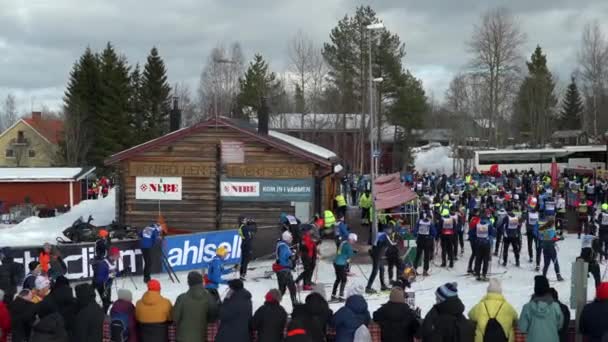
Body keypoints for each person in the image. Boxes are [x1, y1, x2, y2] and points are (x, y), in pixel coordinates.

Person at [173, 271, 218, 342]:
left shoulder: (181, 298)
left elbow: (175, 318)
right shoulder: (209, 297)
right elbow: (213, 318)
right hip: (201, 338)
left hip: (182, 338)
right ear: (201, 282)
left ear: (188, 283)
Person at [518, 275, 563, 342]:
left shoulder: (527, 308)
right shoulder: (555, 307)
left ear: (535, 289)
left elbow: (522, 328)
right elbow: (559, 326)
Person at [92, 246, 121, 312]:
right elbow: (99, 279)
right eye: (118, 255)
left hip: (107, 285)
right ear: (113, 255)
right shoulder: (103, 264)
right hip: (100, 285)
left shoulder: (112, 262)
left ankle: (104, 315)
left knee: (107, 303)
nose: (119, 257)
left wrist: (123, 272)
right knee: (106, 304)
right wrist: (108, 275)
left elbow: (116, 273)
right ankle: (102, 318)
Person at [273, 230, 298, 305]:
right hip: (284, 270)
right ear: (287, 238)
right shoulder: (283, 246)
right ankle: (295, 305)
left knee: (282, 289)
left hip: (282, 270)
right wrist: (292, 257)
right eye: (290, 238)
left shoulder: (283, 245)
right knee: (292, 288)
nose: (291, 239)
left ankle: (274, 304)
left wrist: (292, 254)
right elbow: (283, 259)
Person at [332, 233, 357, 302]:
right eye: (354, 241)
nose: (354, 242)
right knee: (344, 279)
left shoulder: (343, 242)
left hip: (336, 262)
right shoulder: (348, 246)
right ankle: (341, 296)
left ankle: (333, 295)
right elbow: (350, 255)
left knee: (338, 279)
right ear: (351, 239)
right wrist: (354, 252)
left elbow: (342, 251)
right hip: (341, 264)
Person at [366, 226, 390, 294]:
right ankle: (368, 287)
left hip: (377, 254)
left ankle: (383, 286)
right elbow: (390, 244)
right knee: (375, 271)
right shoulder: (384, 236)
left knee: (382, 269)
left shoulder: (380, 234)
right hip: (377, 255)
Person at [474, 210, 496, 281]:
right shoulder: (489, 224)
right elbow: (492, 234)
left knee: (478, 259)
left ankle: (477, 274)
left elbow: (474, 233)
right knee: (486, 260)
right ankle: (484, 274)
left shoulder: (477, 223)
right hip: (486, 244)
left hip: (478, 243)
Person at [413, 212, 437, 276]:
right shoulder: (430, 223)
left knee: (418, 256)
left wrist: (417, 236)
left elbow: (414, 232)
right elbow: (434, 233)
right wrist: (430, 237)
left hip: (420, 240)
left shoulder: (419, 222)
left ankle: (414, 269)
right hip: (427, 241)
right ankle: (425, 271)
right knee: (426, 256)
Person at [295, 225, 318, 291]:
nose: (312, 231)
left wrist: (314, 242)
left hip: (309, 256)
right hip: (306, 256)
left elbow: (312, 245)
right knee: (307, 270)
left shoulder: (309, 237)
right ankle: (305, 285)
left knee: (308, 270)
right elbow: (306, 246)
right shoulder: (305, 237)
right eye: (311, 230)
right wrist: (312, 242)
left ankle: (305, 282)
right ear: (308, 231)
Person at [468, 209, 481, 274]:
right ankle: (475, 268)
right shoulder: (478, 220)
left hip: (472, 237)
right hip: (475, 238)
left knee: (474, 253)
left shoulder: (472, 218)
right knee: (476, 253)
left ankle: (470, 267)